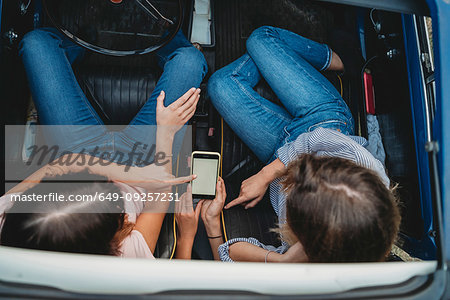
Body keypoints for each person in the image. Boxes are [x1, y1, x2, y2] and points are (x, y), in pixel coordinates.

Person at [0, 27, 208, 258]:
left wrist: (127, 175)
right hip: (142, 163)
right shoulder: (127, 258)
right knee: (190, 61)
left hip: (77, 153)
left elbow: (60, 165)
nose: (109, 181)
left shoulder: (7, 218)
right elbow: (157, 200)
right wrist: (166, 133)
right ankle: (149, 30)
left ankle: (91, 32)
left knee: (36, 42)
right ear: (109, 240)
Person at [206, 26, 401, 262]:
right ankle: (335, 59)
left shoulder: (310, 253)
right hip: (323, 122)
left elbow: (228, 255)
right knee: (262, 38)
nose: (301, 174)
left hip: (278, 148)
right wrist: (266, 175)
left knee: (220, 84)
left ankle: (276, 59)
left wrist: (282, 261)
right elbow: (316, 139)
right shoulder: (368, 172)